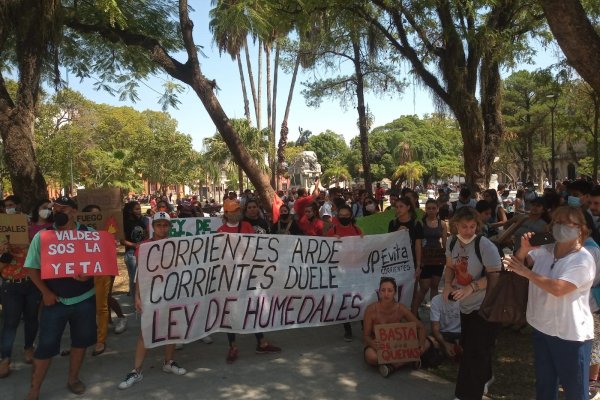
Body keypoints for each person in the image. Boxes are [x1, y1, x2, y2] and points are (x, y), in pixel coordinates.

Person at [504, 206, 596, 400]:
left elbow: (559, 289)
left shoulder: (583, 259)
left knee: (575, 391)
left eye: (566, 223)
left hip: (570, 335)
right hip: (542, 328)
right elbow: (517, 264)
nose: (560, 227)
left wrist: (527, 273)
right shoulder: (545, 250)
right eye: (556, 222)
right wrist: (524, 249)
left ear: (580, 228)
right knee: (545, 386)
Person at [24, 196, 97, 398]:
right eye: (53, 209)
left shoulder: (89, 234)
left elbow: (98, 264)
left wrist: (90, 274)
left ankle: (73, 379)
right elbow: (31, 268)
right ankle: (34, 389)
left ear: (74, 211)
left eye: (62, 209)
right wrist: (46, 293)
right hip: (54, 302)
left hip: (84, 300)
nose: (56, 212)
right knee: (45, 347)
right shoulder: (43, 236)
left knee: (80, 342)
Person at [117, 211, 187, 389]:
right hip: (151, 294)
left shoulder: (177, 245)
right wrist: (138, 296)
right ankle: (136, 370)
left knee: (172, 329)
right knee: (146, 332)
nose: (162, 228)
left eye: (165, 225)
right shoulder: (144, 246)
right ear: (152, 227)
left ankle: (168, 362)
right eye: (159, 225)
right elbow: (141, 273)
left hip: (172, 292)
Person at [442, 206, 501, 400]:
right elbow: (450, 267)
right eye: (464, 226)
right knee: (474, 346)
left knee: (472, 354)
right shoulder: (451, 242)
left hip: (485, 305)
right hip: (465, 306)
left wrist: (471, 288)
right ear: (455, 226)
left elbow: (495, 276)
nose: (469, 230)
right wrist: (448, 285)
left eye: (472, 226)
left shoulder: (485, 245)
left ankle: (466, 394)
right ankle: (486, 376)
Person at [217, 201, 281, 364]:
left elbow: (253, 248)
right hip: (230, 278)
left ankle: (261, 342)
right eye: (233, 210)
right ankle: (232, 345)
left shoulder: (246, 226)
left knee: (252, 308)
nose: (237, 212)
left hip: (247, 276)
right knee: (230, 312)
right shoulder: (220, 231)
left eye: (238, 209)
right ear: (226, 213)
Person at [0, 198, 41, 378]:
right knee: (10, 323)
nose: (11, 209)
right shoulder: (1, 231)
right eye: (8, 206)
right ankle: (5, 358)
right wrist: (4, 253)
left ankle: (28, 348)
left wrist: (31, 241)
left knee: (32, 318)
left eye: (14, 206)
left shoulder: (30, 226)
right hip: (11, 285)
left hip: (32, 283)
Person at [81, 204, 127, 358]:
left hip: (103, 269)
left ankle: (101, 339)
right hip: (84, 270)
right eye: (93, 216)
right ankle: (88, 335)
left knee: (102, 302)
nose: (97, 218)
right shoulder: (78, 232)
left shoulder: (108, 230)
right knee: (88, 304)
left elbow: (116, 244)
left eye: (99, 215)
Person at [363, 277, 427, 377]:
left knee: (427, 343)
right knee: (371, 357)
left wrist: (421, 344)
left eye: (390, 290)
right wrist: (373, 344)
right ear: (379, 292)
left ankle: (393, 366)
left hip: (398, 346)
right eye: (383, 290)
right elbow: (366, 336)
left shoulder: (400, 308)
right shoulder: (371, 310)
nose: (386, 294)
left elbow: (420, 327)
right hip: (379, 346)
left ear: (395, 293)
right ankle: (408, 360)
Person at [327, 204, 363, 342]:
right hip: (340, 271)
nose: (343, 217)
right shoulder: (333, 230)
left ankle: (364, 324)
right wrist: (331, 241)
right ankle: (347, 328)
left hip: (356, 269)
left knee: (360, 298)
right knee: (344, 300)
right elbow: (326, 249)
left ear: (351, 216)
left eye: (346, 215)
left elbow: (364, 246)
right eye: (341, 215)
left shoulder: (356, 229)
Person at [411, 199, 447, 316]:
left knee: (435, 286)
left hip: (437, 258)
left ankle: (434, 315)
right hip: (425, 258)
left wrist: (445, 258)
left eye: (433, 208)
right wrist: (419, 262)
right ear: (425, 209)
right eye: (428, 208)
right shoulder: (420, 223)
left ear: (437, 209)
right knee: (424, 287)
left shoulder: (442, 224)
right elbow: (418, 243)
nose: (431, 211)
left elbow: (444, 244)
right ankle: (414, 312)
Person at [121, 201, 147, 298]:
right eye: (136, 209)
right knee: (134, 279)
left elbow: (145, 233)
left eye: (139, 208)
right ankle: (135, 301)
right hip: (131, 254)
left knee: (142, 278)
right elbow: (122, 241)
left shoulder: (141, 221)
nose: (139, 211)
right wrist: (135, 245)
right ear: (129, 211)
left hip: (142, 252)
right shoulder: (125, 223)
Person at [429, 293, 462, 361]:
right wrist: (445, 344)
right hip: (444, 334)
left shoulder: (466, 299)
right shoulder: (436, 300)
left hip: (461, 334)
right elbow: (435, 329)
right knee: (430, 342)